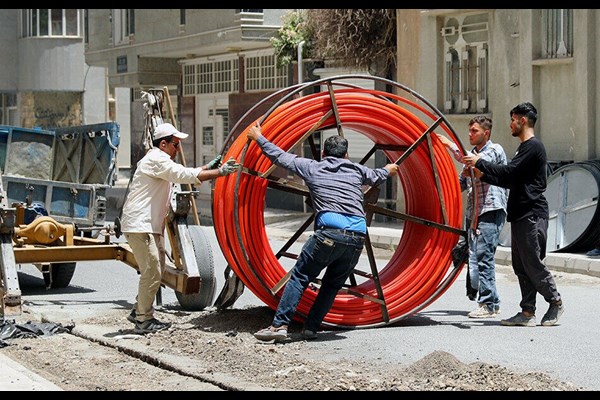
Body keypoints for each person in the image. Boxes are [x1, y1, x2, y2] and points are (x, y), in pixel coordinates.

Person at [248, 123, 399, 342]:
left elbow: (280, 157)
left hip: (329, 234)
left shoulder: (312, 167)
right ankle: (311, 329)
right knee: (331, 285)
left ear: (322, 154)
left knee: (300, 276)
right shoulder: (357, 170)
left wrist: (259, 137)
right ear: (347, 155)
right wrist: (390, 169)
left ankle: (279, 326)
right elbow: (378, 175)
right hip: (357, 238)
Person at [121, 122, 240, 333]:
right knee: (152, 270)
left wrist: (207, 168)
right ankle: (143, 320)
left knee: (155, 270)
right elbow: (182, 175)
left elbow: (182, 172)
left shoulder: (160, 160)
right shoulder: (157, 159)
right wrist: (220, 172)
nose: (178, 149)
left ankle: (138, 311)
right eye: (176, 144)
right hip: (141, 225)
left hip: (149, 225)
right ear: (164, 144)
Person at [463, 102, 564, 327]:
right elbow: (510, 179)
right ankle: (527, 313)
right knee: (521, 266)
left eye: (513, 120)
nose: (510, 124)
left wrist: (481, 162)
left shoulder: (533, 146)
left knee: (532, 262)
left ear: (523, 120)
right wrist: (482, 174)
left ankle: (555, 302)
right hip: (520, 214)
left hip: (532, 214)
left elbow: (511, 171)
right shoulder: (523, 148)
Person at [437, 116, 508, 319]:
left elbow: (478, 164)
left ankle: (489, 304)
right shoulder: (474, 155)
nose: (470, 134)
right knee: (476, 257)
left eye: (474, 131)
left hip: (490, 209)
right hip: (474, 212)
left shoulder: (494, 151)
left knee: (484, 256)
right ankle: (490, 300)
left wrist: (451, 146)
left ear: (486, 133)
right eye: (469, 131)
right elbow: (460, 182)